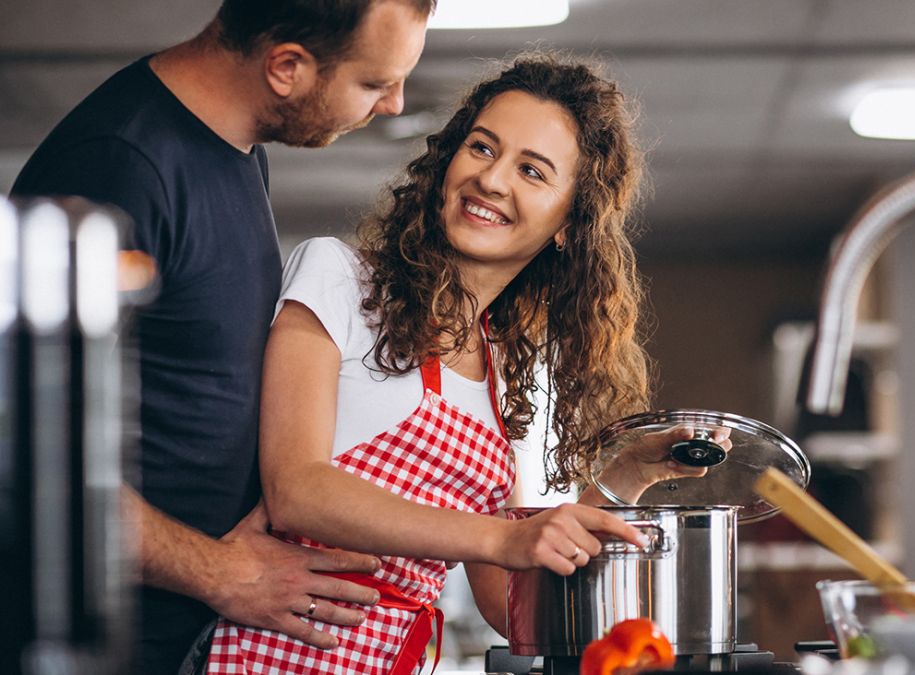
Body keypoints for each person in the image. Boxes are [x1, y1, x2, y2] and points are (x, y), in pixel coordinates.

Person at [204, 52, 728, 674]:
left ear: (569, 224)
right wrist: (504, 536)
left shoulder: (502, 370)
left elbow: (512, 608)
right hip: (275, 655)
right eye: (482, 148)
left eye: (532, 171)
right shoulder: (339, 279)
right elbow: (297, 490)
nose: (493, 179)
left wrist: (623, 478)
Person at [9, 1, 434, 672]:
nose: (393, 104)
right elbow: (24, 452)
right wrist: (221, 573)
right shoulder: (119, 164)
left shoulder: (238, 153)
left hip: (187, 639)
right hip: (103, 643)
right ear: (286, 67)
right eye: (375, 82)